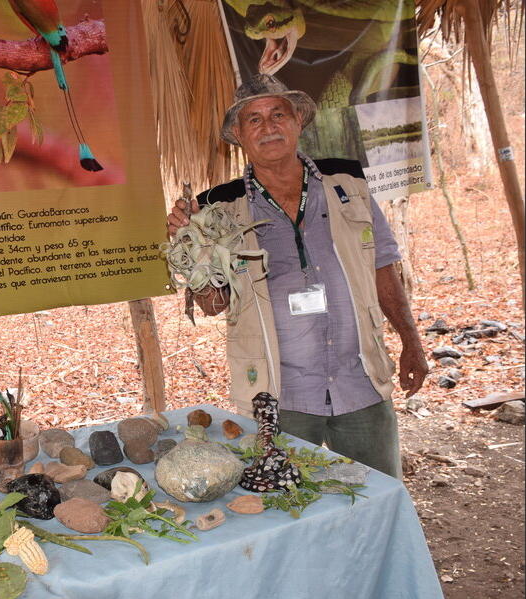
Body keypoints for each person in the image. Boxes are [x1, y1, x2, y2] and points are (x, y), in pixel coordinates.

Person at [166, 74, 428, 479]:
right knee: (293, 508)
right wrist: (192, 248)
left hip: (360, 383)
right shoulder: (219, 208)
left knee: (377, 498)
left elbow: (382, 268)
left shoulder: (347, 185)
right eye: (253, 120)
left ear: (297, 122)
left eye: (278, 114)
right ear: (238, 134)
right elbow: (214, 305)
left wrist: (411, 341)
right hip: (278, 396)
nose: (268, 127)